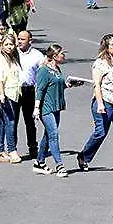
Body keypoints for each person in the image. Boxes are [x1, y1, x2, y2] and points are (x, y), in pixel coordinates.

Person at [77, 34, 113, 172]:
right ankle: (84, 156)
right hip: (104, 102)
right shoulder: (100, 63)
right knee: (101, 132)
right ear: (106, 47)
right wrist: (100, 104)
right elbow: (97, 85)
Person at [33, 44, 74, 177]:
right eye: (62, 53)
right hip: (46, 107)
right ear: (54, 56)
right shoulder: (43, 70)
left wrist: (68, 85)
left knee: (48, 135)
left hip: (56, 107)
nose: (64, 56)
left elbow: (57, 86)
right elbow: (40, 89)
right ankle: (60, 165)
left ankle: (39, 162)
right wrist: (36, 108)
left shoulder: (57, 69)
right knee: (54, 135)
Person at [0, 35, 23, 164]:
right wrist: (2, 94)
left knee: (3, 122)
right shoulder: (0, 60)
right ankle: (12, 150)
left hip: (14, 93)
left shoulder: (14, 58)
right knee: (10, 121)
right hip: (4, 94)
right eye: (7, 44)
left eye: (11, 44)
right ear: (2, 45)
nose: (9, 47)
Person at [15, 30, 44, 159]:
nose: (20, 41)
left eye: (23, 39)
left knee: (30, 121)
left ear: (30, 41)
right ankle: (12, 149)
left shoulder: (37, 55)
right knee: (12, 121)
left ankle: (33, 147)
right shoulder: (12, 53)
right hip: (14, 90)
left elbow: (43, 74)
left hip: (29, 91)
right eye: (19, 39)